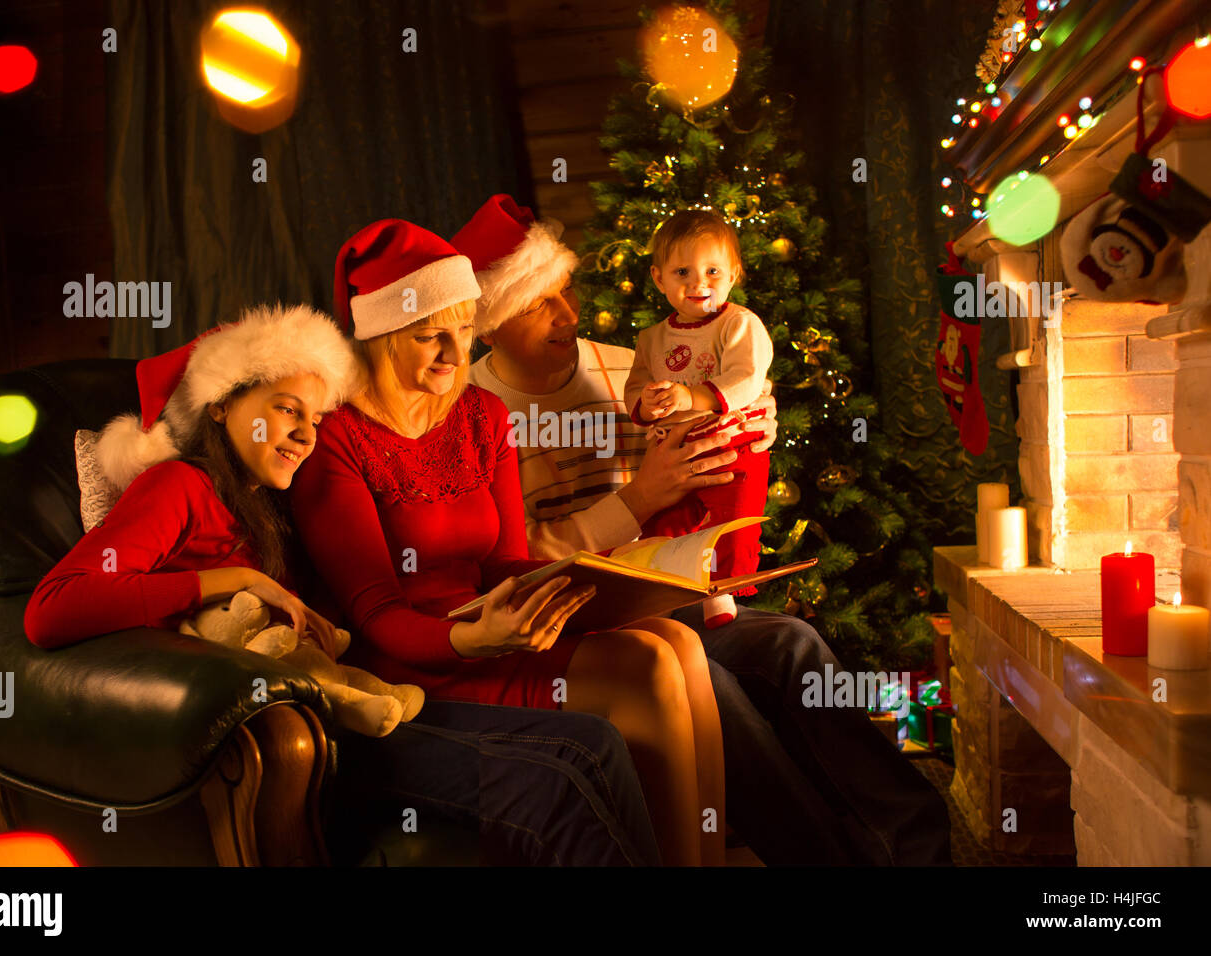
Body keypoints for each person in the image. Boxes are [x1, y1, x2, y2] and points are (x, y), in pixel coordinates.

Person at [23, 302, 661, 866]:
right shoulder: (179, 487)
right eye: (285, 410)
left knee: (595, 743)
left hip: (354, 700)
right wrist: (225, 580)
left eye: (316, 417)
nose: (306, 434)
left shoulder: (276, 500)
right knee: (553, 776)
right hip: (302, 738)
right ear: (220, 406)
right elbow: (51, 611)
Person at [456, 194, 953, 865]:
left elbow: (717, 409)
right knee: (713, 691)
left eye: (567, 291)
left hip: (674, 592)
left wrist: (750, 426)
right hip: (587, 625)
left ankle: (919, 839)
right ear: (489, 324)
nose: (569, 314)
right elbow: (516, 558)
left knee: (794, 643)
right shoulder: (480, 416)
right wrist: (636, 499)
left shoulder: (625, 367)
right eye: (542, 301)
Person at [290, 219, 726, 865]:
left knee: (679, 639)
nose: (452, 353)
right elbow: (376, 614)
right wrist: (469, 639)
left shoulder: (480, 414)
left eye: (464, 331)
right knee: (648, 666)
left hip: (502, 621)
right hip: (421, 657)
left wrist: (607, 583)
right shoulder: (337, 441)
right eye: (428, 335)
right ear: (381, 336)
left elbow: (503, 561)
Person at [624, 209, 773, 628]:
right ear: (659, 278)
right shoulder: (651, 338)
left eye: (712, 270)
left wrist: (692, 395)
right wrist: (646, 404)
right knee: (665, 523)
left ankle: (721, 593)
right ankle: (663, 591)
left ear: (733, 274)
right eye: (682, 272)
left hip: (733, 443)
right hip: (673, 448)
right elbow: (636, 383)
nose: (698, 283)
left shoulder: (739, 324)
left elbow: (747, 378)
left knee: (734, 520)